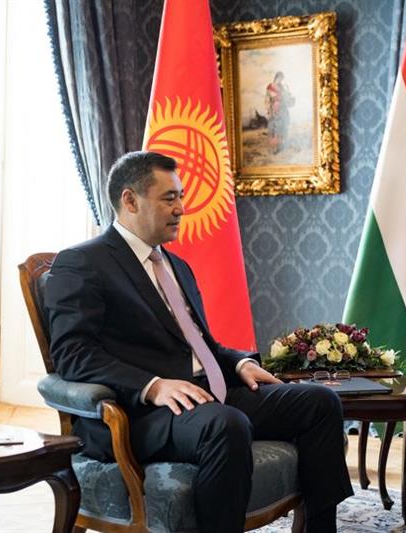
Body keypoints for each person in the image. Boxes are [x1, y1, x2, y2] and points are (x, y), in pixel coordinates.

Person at [45, 151, 353, 533]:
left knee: (320, 402)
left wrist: (239, 363)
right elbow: (73, 354)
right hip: (142, 413)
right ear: (130, 200)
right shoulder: (82, 262)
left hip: (207, 395)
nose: (181, 208)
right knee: (226, 425)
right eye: (169, 198)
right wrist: (151, 386)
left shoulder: (176, 265)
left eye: (181, 197)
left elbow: (199, 344)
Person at [265, 71, 294, 154]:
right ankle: (274, 148)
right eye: (280, 78)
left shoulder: (282, 87)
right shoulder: (271, 86)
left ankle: (281, 146)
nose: (280, 80)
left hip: (283, 109)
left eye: (282, 79)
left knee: (283, 126)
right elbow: (267, 99)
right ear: (276, 77)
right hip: (275, 109)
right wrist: (269, 110)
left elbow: (286, 96)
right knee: (275, 128)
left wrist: (289, 98)